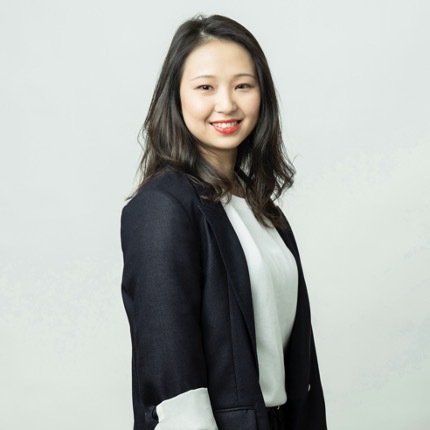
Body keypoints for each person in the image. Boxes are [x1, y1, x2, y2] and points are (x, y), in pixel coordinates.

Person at [120, 14, 327, 430]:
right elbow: (172, 377)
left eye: (243, 85)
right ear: (175, 97)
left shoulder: (263, 209)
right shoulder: (162, 206)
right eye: (205, 87)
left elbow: (294, 360)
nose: (227, 104)